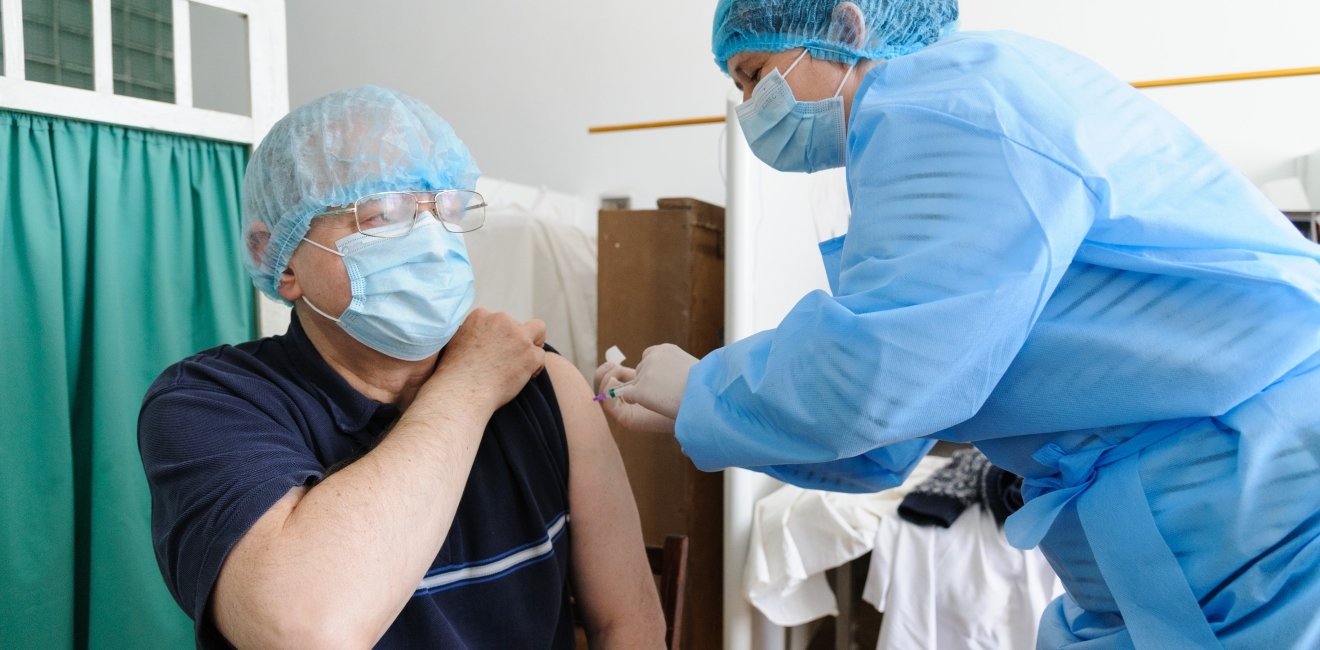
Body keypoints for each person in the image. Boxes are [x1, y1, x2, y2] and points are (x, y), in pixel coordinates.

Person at [596, 1, 1320, 647]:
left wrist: (704, 387)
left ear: (846, 26)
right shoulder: (921, 125)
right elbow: (888, 435)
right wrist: (698, 414)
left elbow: (881, 378)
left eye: (755, 74)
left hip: (1255, 504)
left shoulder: (947, 105)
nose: (751, 105)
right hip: (1178, 522)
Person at [139, 86, 665, 648]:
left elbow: (628, 625)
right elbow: (305, 628)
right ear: (279, 257)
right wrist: (468, 386)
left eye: (445, 207)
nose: (432, 239)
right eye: (381, 211)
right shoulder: (208, 403)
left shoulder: (542, 386)